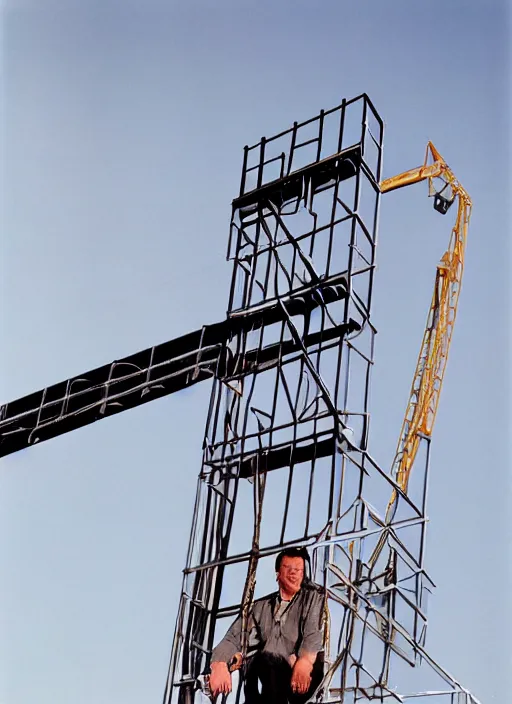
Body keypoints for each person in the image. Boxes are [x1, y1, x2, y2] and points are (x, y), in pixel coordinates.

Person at [208, 547, 325, 703]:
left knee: (267, 658)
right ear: (277, 574)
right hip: (269, 677)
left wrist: (305, 661)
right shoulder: (260, 607)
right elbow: (233, 637)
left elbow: (313, 635)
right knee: (259, 661)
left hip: (301, 678)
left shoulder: (312, 598)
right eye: (288, 568)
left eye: (299, 569)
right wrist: (219, 663)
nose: (294, 573)